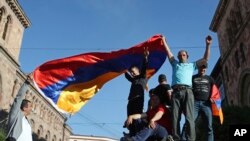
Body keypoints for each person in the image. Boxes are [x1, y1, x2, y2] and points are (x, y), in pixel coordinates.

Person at [162, 35, 212, 141]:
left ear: (187, 56)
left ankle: (190, 139)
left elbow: (205, 59)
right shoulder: (175, 64)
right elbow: (169, 53)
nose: (181, 56)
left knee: (189, 117)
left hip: (188, 92)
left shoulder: (192, 65)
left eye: (183, 55)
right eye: (179, 55)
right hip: (175, 92)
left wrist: (207, 45)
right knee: (175, 117)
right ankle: (176, 138)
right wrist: (164, 42)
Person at [124, 47, 149, 136]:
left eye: (133, 72)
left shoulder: (142, 77)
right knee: (129, 119)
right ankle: (131, 134)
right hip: (131, 101)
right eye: (131, 72)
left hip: (138, 100)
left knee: (136, 119)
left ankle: (137, 135)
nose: (132, 73)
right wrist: (123, 68)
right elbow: (127, 76)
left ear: (138, 71)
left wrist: (145, 57)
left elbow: (144, 67)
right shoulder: (133, 79)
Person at [6, 76, 33, 141]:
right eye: (30, 106)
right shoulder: (16, 115)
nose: (32, 109)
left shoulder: (28, 122)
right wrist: (27, 83)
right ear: (24, 108)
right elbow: (19, 98)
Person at [192, 63, 215, 141]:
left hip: (206, 104)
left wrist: (213, 97)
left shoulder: (210, 79)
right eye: (201, 68)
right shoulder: (192, 78)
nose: (202, 69)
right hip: (194, 103)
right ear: (198, 68)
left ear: (206, 69)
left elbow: (214, 90)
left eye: (204, 68)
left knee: (209, 126)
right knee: (189, 123)